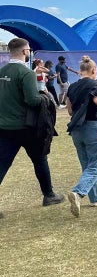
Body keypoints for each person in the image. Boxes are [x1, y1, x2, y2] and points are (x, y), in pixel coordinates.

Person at [0, 37, 64, 213]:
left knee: (2, 164)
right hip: (26, 126)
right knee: (40, 159)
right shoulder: (26, 73)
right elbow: (32, 100)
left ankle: (49, 194)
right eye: (28, 50)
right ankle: (49, 195)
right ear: (24, 51)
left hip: (4, 127)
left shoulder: (2, 71)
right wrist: (44, 96)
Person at [66, 56, 97, 217]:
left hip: (76, 129)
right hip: (93, 126)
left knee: (87, 164)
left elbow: (70, 110)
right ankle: (78, 192)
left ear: (81, 71)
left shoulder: (72, 87)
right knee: (96, 165)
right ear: (93, 70)